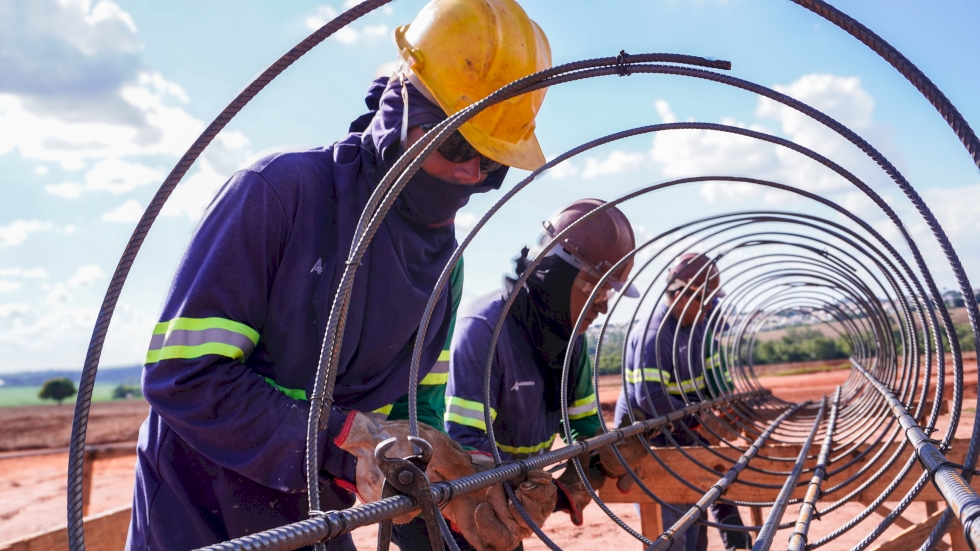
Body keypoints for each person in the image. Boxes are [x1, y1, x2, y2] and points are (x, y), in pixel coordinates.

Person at [126, 1, 554, 549]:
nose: (470, 174)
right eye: (455, 146)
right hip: (201, 512)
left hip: (320, 513)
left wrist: (464, 488)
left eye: (492, 164)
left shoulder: (444, 265)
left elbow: (414, 412)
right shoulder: (279, 195)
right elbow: (183, 377)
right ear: (402, 109)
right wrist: (351, 439)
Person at [445, 199, 639, 531]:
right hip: (457, 508)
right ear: (561, 274)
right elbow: (463, 448)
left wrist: (601, 457)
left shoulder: (572, 339)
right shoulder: (486, 331)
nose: (604, 307)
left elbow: (583, 426)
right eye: (598, 289)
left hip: (508, 495)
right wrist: (522, 490)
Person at [613, 253, 748, 551]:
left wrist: (725, 411)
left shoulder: (699, 327)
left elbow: (712, 381)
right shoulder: (654, 335)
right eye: (706, 300)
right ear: (680, 295)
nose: (711, 308)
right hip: (651, 441)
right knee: (673, 530)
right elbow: (649, 397)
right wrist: (698, 424)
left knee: (697, 527)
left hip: (681, 434)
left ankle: (736, 539)